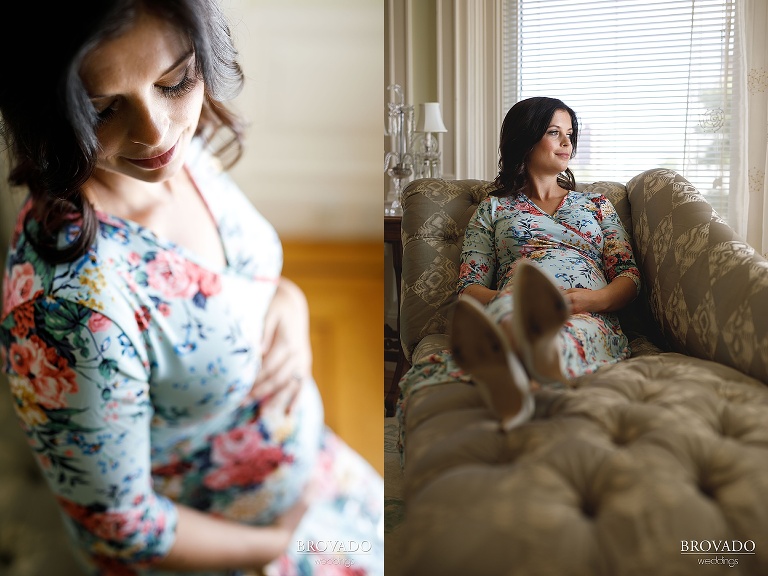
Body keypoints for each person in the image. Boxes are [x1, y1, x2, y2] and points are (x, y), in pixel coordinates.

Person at [0, 2, 383, 575]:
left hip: (311, 471)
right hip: (236, 543)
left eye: (175, 81)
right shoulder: (66, 312)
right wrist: (272, 545)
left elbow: (233, 278)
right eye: (103, 110)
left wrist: (287, 302)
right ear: (50, 112)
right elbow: (120, 525)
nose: (157, 132)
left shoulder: (174, 153)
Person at [398, 96, 641, 434]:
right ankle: (516, 375)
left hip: (586, 315)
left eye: (570, 133)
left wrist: (587, 300)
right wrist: (512, 302)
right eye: (554, 132)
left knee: (557, 339)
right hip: (516, 305)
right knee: (509, 325)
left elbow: (628, 275)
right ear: (525, 139)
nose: (567, 143)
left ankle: (518, 380)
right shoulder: (493, 210)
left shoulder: (597, 206)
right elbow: (469, 289)